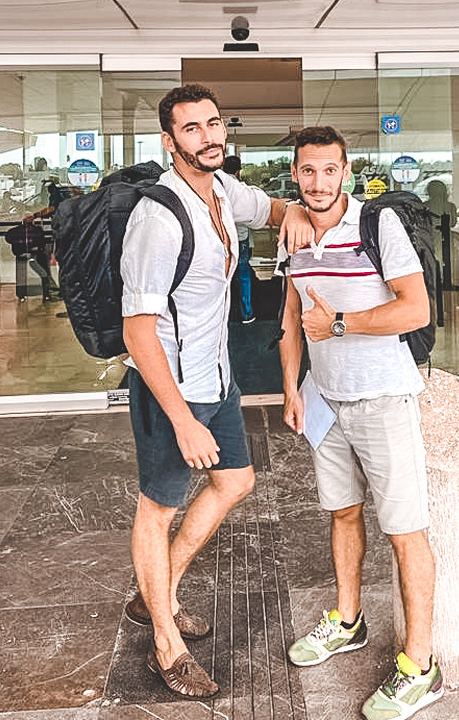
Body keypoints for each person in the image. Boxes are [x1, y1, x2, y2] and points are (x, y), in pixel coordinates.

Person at [120, 83, 312, 700]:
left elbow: (277, 210)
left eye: (213, 125)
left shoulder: (225, 191)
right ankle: (166, 644)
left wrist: (307, 215)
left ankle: (158, 593)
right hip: (170, 389)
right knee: (158, 507)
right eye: (193, 129)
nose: (208, 138)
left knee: (235, 480)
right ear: (170, 141)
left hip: (218, 376)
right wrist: (182, 420)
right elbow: (138, 330)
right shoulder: (158, 215)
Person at [279, 126, 443, 720]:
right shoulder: (291, 232)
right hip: (325, 398)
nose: (318, 182)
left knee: (404, 528)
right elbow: (293, 315)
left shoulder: (380, 227)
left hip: (381, 397)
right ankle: (348, 620)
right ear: (294, 175)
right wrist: (291, 385)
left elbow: (414, 308)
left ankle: (420, 666)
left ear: (346, 172)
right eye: (307, 171)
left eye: (329, 170)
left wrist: (343, 325)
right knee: (342, 511)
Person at [223, 154, 255, 323]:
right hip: (240, 237)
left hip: (222, 238)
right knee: (243, 275)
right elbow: (250, 215)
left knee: (221, 275)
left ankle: (222, 314)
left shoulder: (216, 186)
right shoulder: (241, 188)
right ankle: (246, 313)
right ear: (238, 170)